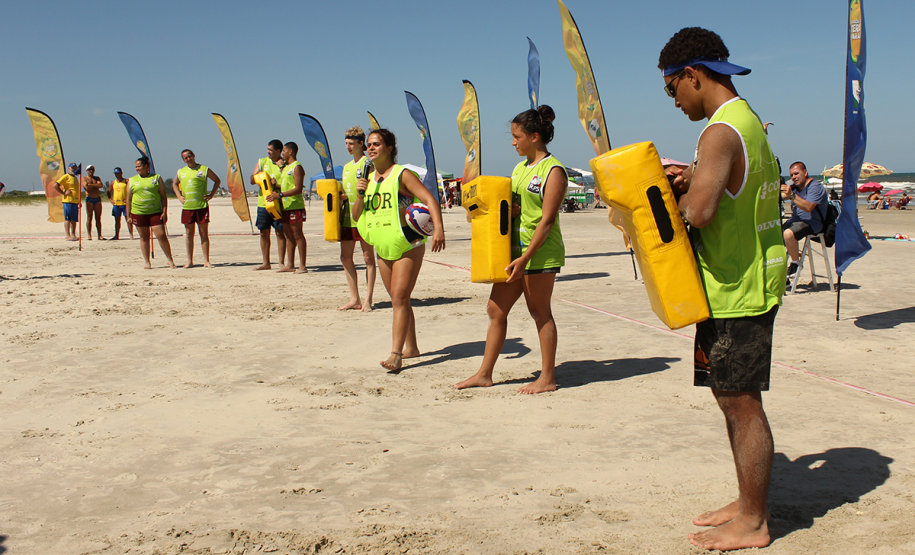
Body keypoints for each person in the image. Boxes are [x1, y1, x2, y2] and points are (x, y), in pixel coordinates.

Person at [659, 27, 786, 551]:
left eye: (672, 89)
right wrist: (693, 176)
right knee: (730, 396)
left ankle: (754, 521)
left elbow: (702, 213)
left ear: (692, 75)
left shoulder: (718, 132)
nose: (674, 101)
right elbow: (729, 187)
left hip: (738, 286)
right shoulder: (744, 121)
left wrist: (673, 198)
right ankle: (746, 501)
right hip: (746, 277)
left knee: (741, 403)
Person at [454, 106, 566, 394]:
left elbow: (547, 219)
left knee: (540, 312)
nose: (513, 142)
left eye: (517, 136)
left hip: (539, 253)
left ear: (535, 136)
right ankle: (484, 373)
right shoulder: (519, 169)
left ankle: (547, 378)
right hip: (514, 252)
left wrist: (526, 257)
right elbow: (515, 209)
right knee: (495, 309)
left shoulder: (553, 170)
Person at [352, 129, 445, 371]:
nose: (370, 148)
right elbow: (355, 215)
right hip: (383, 246)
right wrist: (360, 194)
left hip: (408, 243)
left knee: (400, 298)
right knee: (398, 299)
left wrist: (439, 229)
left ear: (390, 148)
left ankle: (396, 353)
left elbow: (430, 199)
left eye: (376, 144)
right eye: (369, 145)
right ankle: (412, 347)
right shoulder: (368, 178)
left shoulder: (402, 174)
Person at [337, 126, 377, 311]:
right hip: (347, 217)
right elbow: (348, 192)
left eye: (351, 144)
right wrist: (341, 196)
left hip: (364, 216)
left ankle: (368, 299)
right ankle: (355, 298)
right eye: (346, 144)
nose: (348, 147)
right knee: (345, 257)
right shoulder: (346, 167)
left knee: (368, 258)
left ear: (361, 144)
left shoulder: (368, 164)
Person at [173, 149, 221, 268]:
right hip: (188, 206)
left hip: (201, 206)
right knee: (189, 233)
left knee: (203, 233)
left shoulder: (204, 169)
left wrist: (211, 195)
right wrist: (179, 196)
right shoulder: (181, 172)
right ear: (183, 160)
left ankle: (206, 261)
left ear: (194, 156)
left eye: (190, 156)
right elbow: (174, 184)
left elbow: (217, 180)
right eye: (185, 158)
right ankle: (189, 261)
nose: (188, 159)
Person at [127, 156, 176, 269]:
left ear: (146, 166)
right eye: (136, 167)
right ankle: (147, 261)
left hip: (155, 212)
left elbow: (163, 196)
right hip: (139, 212)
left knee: (161, 235)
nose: (137, 168)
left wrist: (165, 211)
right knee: (144, 237)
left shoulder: (157, 178)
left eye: (139, 166)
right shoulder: (132, 180)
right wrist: (128, 215)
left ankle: (170, 259)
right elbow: (129, 199)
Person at [780, 162, 828, 278]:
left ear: (805, 172)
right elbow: (779, 197)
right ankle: (780, 271)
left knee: (788, 234)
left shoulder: (815, 187)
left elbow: (808, 207)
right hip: (796, 221)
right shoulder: (794, 188)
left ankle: (796, 263)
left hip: (812, 223)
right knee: (773, 233)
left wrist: (791, 195)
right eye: (791, 175)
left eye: (797, 173)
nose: (794, 177)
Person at [265, 142, 307, 273]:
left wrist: (280, 194)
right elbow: (284, 186)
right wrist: (275, 186)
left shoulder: (297, 167)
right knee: (288, 235)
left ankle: (302, 265)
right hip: (285, 206)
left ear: (290, 152)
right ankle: (290, 264)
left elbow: (298, 188)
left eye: (284, 151)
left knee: (298, 234)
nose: (282, 153)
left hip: (295, 206)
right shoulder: (285, 168)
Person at [250, 140, 287, 270]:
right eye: (267, 149)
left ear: (278, 151)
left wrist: (275, 183)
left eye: (270, 149)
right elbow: (251, 179)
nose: (268, 152)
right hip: (263, 203)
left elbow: (289, 184)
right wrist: (261, 177)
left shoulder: (284, 164)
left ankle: (281, 262)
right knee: (263, 232)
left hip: (278, 203)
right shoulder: (262, 161)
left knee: (280, 232)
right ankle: (266, 262)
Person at [54, 163, 81, 241]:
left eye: (75, 168)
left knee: (74, 219)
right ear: (69, 168)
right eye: (72, 168)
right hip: (68, 201)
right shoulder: (66, 176)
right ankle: (68, 235)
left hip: (75, 201)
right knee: (68, 219)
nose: (74, 169)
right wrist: (63, 193)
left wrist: (79, 201)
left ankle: (73, 234)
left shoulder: (75, 178)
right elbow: (56, 185)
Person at [108, 167, 134, 240]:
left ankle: (131, 234)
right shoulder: (113, 182)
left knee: (128, 219)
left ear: (121, 173)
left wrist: (129, 198)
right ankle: (116, 235)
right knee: (117, 220)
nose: (117, 175)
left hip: (125, 204)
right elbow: (108, 191)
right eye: (116, 173)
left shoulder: (126, 181)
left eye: (118, 173)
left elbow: (132, 190)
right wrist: (110, 199)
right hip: (116, 204)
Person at [82, 165, 105, 240]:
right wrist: (96, 185)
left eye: (92, 169)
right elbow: (87, 188)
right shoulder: (84, 178)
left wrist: (90, 185)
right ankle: (89, 234)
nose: (91, 171)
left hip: (97, 198)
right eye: (89, 170)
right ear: (87, 171)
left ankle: (100, 235)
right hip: (89, 199)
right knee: (89, 217)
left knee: (98, 218)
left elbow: (101, 185)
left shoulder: (97, 178)